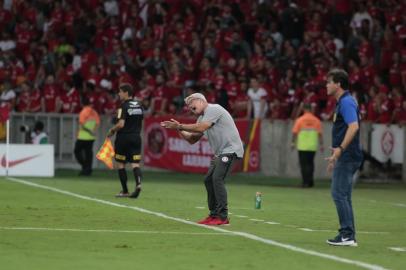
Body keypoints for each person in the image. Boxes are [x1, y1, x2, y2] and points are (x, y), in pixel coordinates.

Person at [160, 93, 244, 226]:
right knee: (208, 180)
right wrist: (178, 129)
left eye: (191, 104)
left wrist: (180, 126)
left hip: (231, 150)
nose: (189, 107)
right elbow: (192, 139)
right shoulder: (202, 118)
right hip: (220, 153)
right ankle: (214, 215)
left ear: (200, 100)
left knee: (217, 179)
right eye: (188, 106)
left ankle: (223, 217)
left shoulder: (213, 109)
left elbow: (202, 127)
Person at [325, 69, 363, 247]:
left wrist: (340, 149)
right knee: (344, 195)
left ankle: (347, 235)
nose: (326, 85)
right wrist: (335, 154)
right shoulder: (344, 101)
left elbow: (353, 126)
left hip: (348, 155)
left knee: (339, 194)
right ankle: (349, 234)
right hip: (347, 155)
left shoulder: (346, 102)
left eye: (329, 82)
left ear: (338, 84)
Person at [107, 83, 143, 199]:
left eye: (120, 91)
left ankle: (125, 191)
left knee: (120, 164)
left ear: (126, 93)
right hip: (136, 137)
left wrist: (112, 130)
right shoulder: (139, 106)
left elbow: (121, 124)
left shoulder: (122, 106)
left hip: (123, 138)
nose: (118, 94)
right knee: (135, 164)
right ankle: (138, 185)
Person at [291, 104, 323, 187]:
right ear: (311, 109)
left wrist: (292, 143)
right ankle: (310, 182)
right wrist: (321, 144)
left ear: (304, 109)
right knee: (310, 164)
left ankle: (305, 182)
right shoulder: (316, 120)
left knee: (303, 165)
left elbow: (294, 133)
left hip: (302, 146)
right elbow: (320, 134)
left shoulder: (300, 120)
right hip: (312, 146)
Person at [74, 97, 100, 176]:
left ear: (82, 104)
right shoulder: (94, 112)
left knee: (77, 151)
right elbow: (98, 123)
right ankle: (88, 170)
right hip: (91, 137)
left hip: (83, 136)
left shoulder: (83, 112)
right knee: (89, 154)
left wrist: (89, 131)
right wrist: (93, 131)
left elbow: (81, 125)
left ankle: (85, 166)